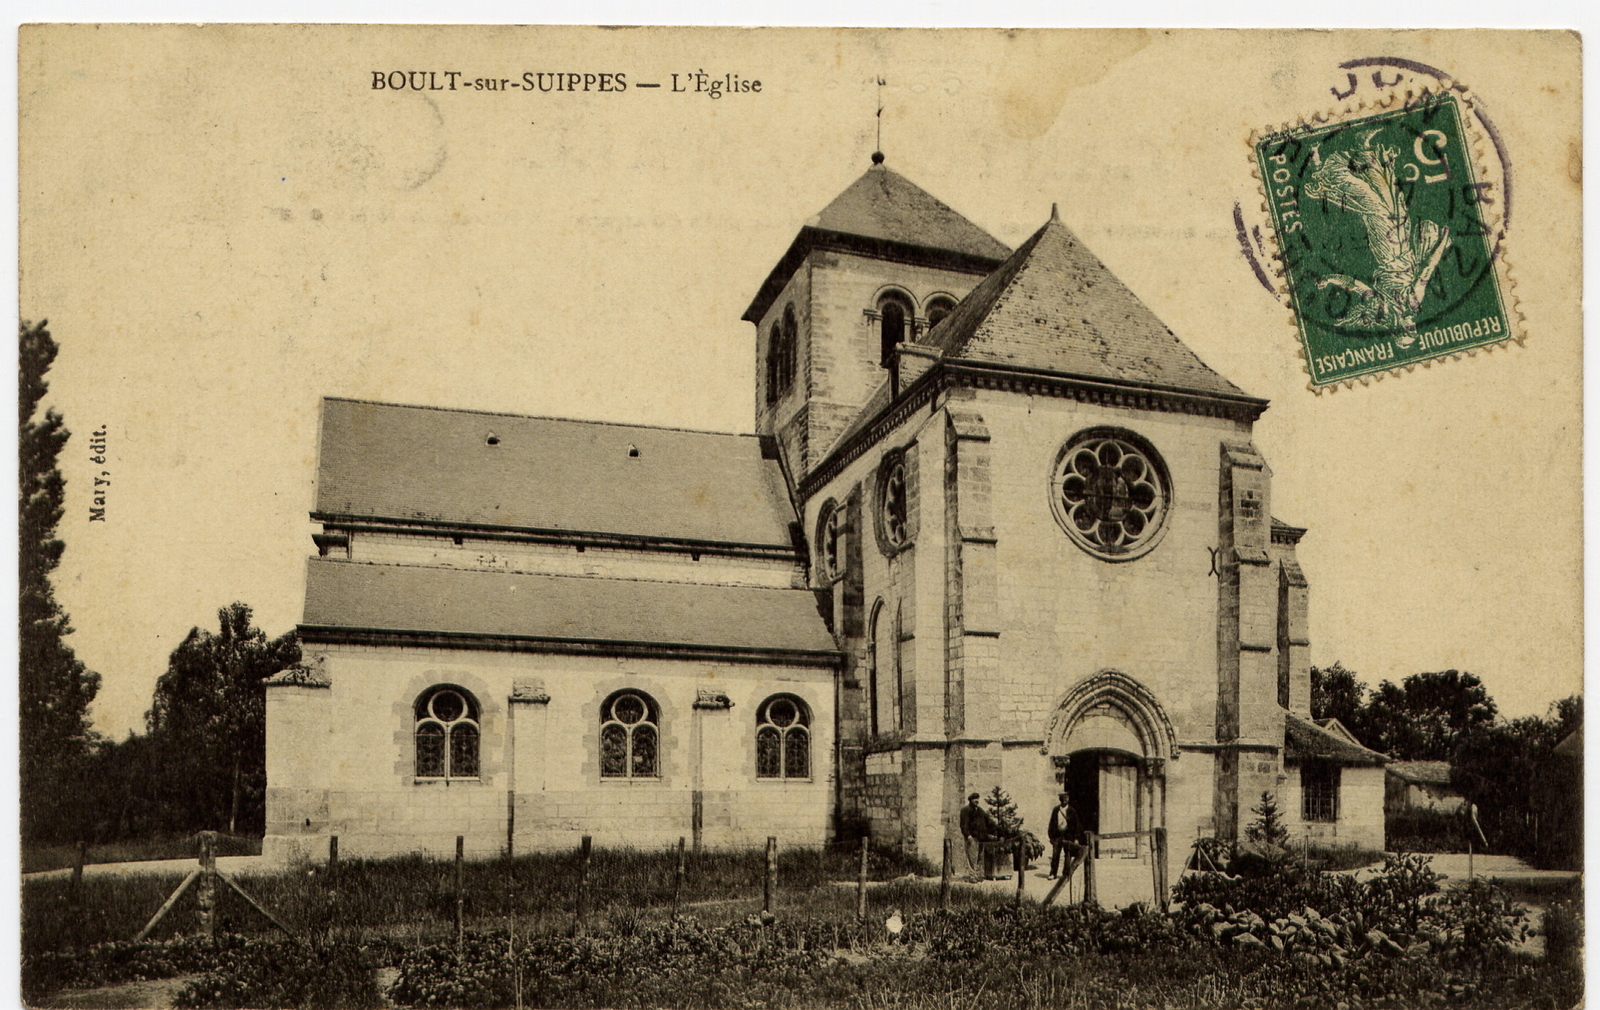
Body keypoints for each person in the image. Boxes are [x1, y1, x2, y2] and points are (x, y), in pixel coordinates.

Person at [959, 792, 1008, 880]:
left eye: (978, 799)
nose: (977, 801)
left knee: (979, 858)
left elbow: (989, 822)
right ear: (970, 800)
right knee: (972, 857)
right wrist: (968, 836)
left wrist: (1000, 831)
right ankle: (972, 876)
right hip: (971, 838)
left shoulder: (980, 811)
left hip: (981, 838)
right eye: (975, 799)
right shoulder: (965, 810)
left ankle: (977, 875)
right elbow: (964, 825)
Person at [1047, 792, 1086, 879]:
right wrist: (1051, 837)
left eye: (1066, 798)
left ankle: (1066, 873)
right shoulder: (1056, 810)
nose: (1065, 800)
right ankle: (1053, 873)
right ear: (1060, 799)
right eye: (1063, 798)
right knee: (1055, 854)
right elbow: (1052, 823)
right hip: (1058, 836)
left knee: (1067, 855)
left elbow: (1076, 825)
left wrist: (1076, 838)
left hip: (1068, 836)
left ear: (1068, 799)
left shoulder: (1072, 811)